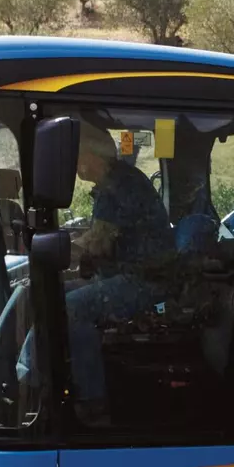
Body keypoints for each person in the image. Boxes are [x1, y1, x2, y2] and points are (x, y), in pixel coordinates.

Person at [44, 123, 173, 425]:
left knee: (73, 308)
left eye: (76, 157)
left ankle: (92, 402)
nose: (74, 165)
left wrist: (50, 248)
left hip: (147, 280)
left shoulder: (119, 185)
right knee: (42, 292)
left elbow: (97, 244)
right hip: (128, 273)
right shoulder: (114, 182)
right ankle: (25, 370)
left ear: (90, 155)